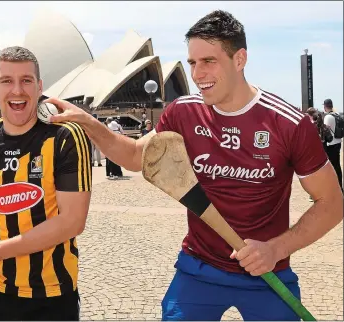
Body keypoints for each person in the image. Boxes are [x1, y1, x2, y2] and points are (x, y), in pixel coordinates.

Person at [46, 10, 343, 321]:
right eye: (192, 63)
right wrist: (90, 124)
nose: (198, 73)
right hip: (199, 267)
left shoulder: (288, 123)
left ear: (239, 59)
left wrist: (276, 249)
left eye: (209, 61)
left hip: (268, 271)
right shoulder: (183, 113)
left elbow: (332, 204)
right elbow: (135, 156)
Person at [0, 46, 92, 321]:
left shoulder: (65, 137)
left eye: (26, 80)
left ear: (39, 86)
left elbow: (72, 221)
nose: (17, 90)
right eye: (6, 81)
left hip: (50, 296)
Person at [323, 99, 343, 191]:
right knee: (337, 166)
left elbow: (325, 132)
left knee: (330, 167)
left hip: (330, 144)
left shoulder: (328, 117)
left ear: (325, 106)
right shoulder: (337, 114)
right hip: (338, 142)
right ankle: (339, 186)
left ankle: (333, 188)